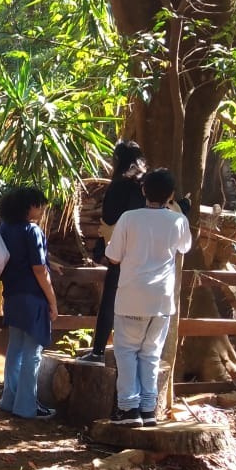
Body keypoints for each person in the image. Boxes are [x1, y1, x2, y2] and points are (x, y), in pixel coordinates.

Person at [105, 168, 192, 427]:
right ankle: (148, 409)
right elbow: (185, 247)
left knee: (127, 352)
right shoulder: (178, 221)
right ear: (171, 195)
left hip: (131, 296)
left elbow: (113, 256)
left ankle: (128, 409)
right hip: (161, 300)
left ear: (144, 191)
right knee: (151, 354)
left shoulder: (129, 218)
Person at [79, 140, 147, 365]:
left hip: (120, 250)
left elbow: (108, 218)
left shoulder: (120, 184)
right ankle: (136, 354)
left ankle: (98, 351)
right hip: (145, 253)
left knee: (110, 300)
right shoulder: (146, 183)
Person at [0, 186, 58, 420]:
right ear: (28, 207)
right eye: (38, 205)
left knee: (15, 349)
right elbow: (39, 269)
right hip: (33, 297)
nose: (41, 209)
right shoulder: (32, 230)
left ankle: (9, 400)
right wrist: (52, 301)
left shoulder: (4, 229)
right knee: (33, 353)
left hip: (12, 295)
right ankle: (26, 405)